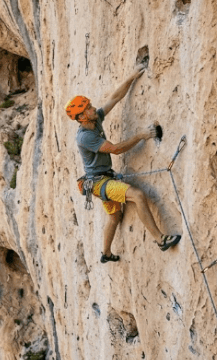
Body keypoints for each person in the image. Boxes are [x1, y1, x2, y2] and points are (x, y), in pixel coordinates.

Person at [66, 65, 181, 263]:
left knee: (114, 217)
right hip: (100, 183)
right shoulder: (85, 137)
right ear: (82, 117)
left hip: (101, 180)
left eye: (91, 106)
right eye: (89, 108)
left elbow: (115, 98)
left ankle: (106, 253)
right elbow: (115, 149)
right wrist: (141, 135)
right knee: (137, 195)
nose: (94, 108)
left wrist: (131, 77)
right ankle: (161, 239)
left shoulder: (94, 121)